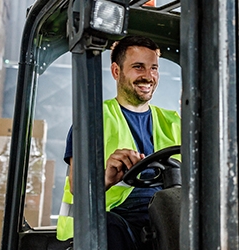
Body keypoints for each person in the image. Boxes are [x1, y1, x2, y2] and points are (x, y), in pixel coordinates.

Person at [56, 35, 181, 250]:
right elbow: (77, 185)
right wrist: (106, 178)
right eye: (138, 67)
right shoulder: (94, 120)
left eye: (153, 68)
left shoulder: (174, 122)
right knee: (109, 228)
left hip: (166, 213)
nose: (148, 76)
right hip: (116, 218)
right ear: (116, 71)